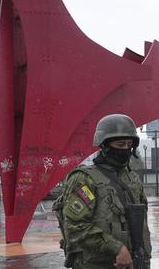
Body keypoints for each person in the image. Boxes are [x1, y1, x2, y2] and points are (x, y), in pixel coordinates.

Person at [57, 114, 151, 269]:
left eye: (129, 145)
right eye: (120, 145)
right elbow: (74, 226)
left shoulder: (132, 178)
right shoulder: (85, 179)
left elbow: (141, 226)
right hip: (96, 263)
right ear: (104, 145)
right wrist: (116, 248)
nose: (126, 149)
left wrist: (144, 260)